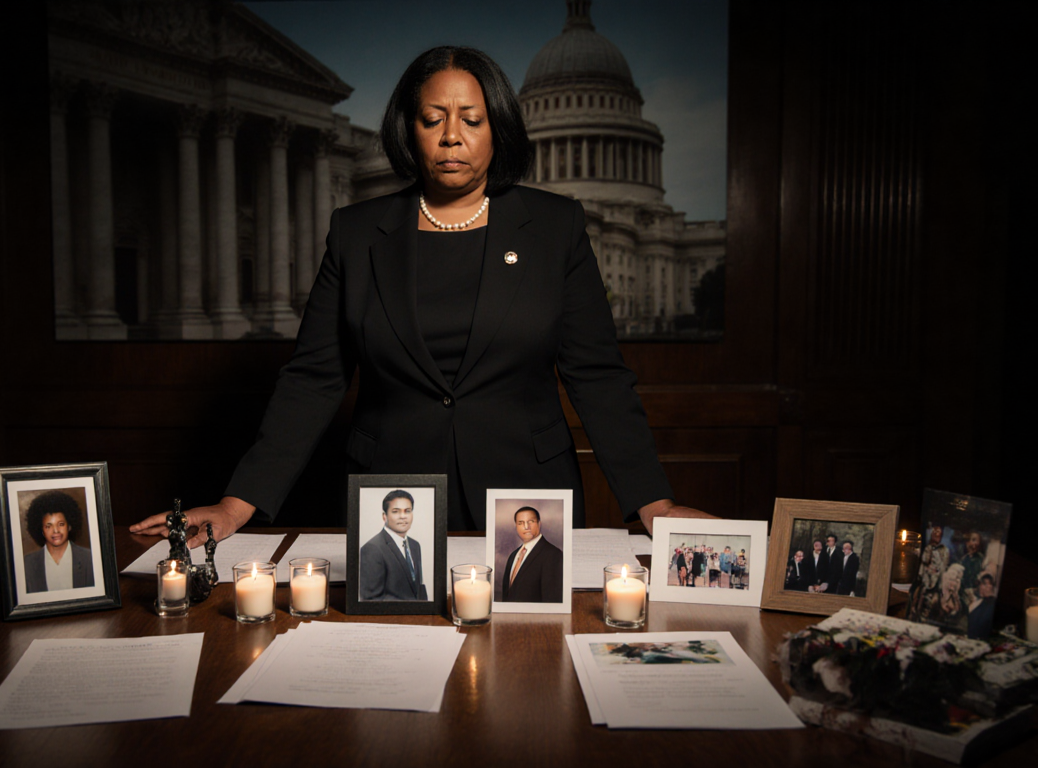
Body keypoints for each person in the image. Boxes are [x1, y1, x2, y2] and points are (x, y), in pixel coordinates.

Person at [129, 45, 709, 547]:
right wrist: (237, 504)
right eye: (433, 118)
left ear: (498, 128)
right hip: (392, 497)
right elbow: (313, 378)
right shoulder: (357, 232)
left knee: (529, 667)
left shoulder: (556, 227)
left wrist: (652, 502)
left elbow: (599, 376)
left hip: (526, 500)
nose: (451, 136)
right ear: (409, 128)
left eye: (471, 119)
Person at [359, 490, 427, 600]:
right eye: (395, 511)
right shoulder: (372, 549)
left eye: (407, 511)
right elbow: (371, 599)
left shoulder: (415, 545)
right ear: (384, 516)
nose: (403, 516)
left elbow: (418, 587)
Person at [23, 491, 94, 593]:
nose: (55, 531)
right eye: (48, 526)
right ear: (41, 530)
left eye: (60, 524)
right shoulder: (27, 564)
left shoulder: (89, 559)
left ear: (69, 526)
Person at [501, 506, 563, 603]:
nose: (526, 527)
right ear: (516, 527)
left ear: (539, 523)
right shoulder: (513, 555)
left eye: (531, 521)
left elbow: (552, 600)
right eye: (520, 523)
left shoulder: (553, 554)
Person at [966, 571, 997, 639]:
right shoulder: (976, 601)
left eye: (988, 584)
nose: (984, 587)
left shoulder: (991, 605)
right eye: (983, 584)